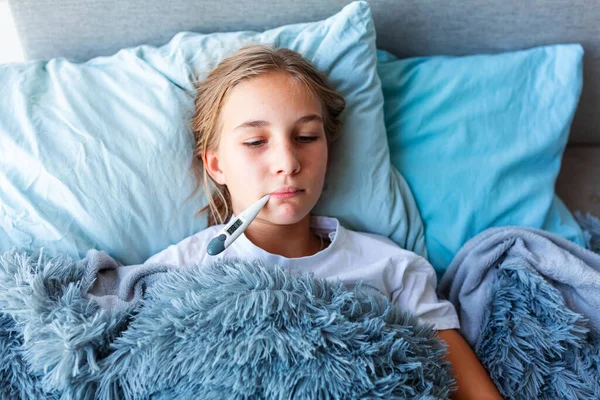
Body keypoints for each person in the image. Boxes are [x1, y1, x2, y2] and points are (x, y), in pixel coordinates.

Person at [145, 44, 502, 400]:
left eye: (306, 138)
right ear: (216, 165)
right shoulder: (171, 277)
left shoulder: (392, 270)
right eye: (256, 141)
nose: (288, 162)